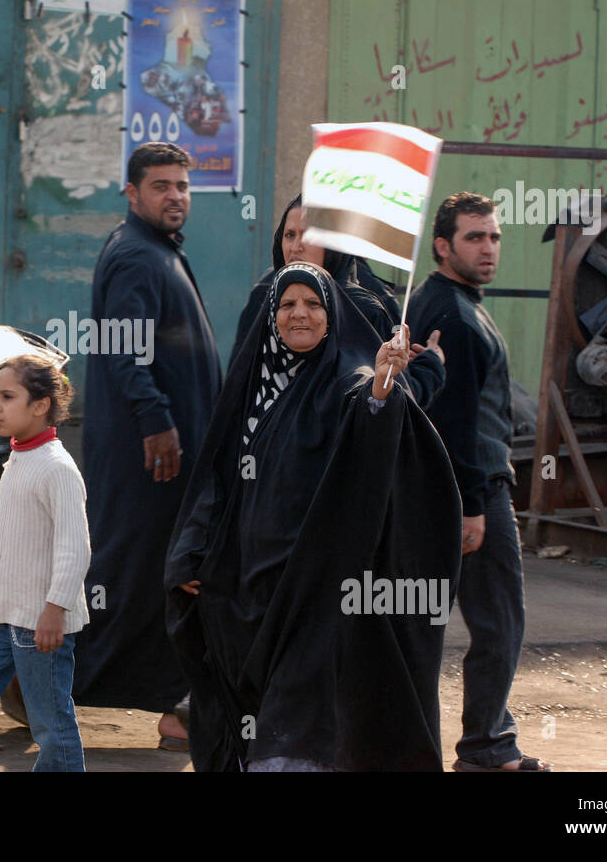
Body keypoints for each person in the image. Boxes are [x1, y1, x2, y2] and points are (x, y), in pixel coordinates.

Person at [166, 262, 462, 771]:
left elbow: (367, 423)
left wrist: (383, 388)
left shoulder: (348, 379)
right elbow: (216, 479)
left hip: (314, 588)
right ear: (271, 315)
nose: (298, 314)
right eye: (287, 305)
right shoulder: (252, 388)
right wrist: (192, 555)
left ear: (331, 317)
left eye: (313, 305)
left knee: (296, 724)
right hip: (246, 591)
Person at [73, 141, 222, 749]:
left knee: (151, 576)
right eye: (161, 186)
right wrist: (157, 422)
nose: (176, 197)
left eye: (183, 187)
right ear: (133, 194)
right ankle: (42, 676)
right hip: (147, 456)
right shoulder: (136, 255)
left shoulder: (158, 251)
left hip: (162, 454)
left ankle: (173, 706)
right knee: (130, 574)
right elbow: (124, 351)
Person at [405, 191, 551, 773]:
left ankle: (475, 744)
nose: (488, 248)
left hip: (462, 489)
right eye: (474, 237)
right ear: (443, 246)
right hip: (473, 491)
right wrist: (469, 505)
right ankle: (487, 748)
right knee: (498, 622)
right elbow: (456, 421)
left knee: (431, 621)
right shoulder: (454, 315)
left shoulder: (455, 302)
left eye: (493, 236)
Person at [0, 356, 90, 772]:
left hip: (39, 622)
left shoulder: (57, 469)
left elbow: (75, 547)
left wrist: (55, 609)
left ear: (41, 405)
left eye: (8, 396)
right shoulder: (18, 459)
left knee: (50, 723)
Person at [230, 194, 446, 406]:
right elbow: (237, 390)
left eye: (310, 236)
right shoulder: (266, 297)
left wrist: (427, 368)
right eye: (289, 235)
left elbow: (391, 402)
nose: (296, 247)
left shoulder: (362, 308)